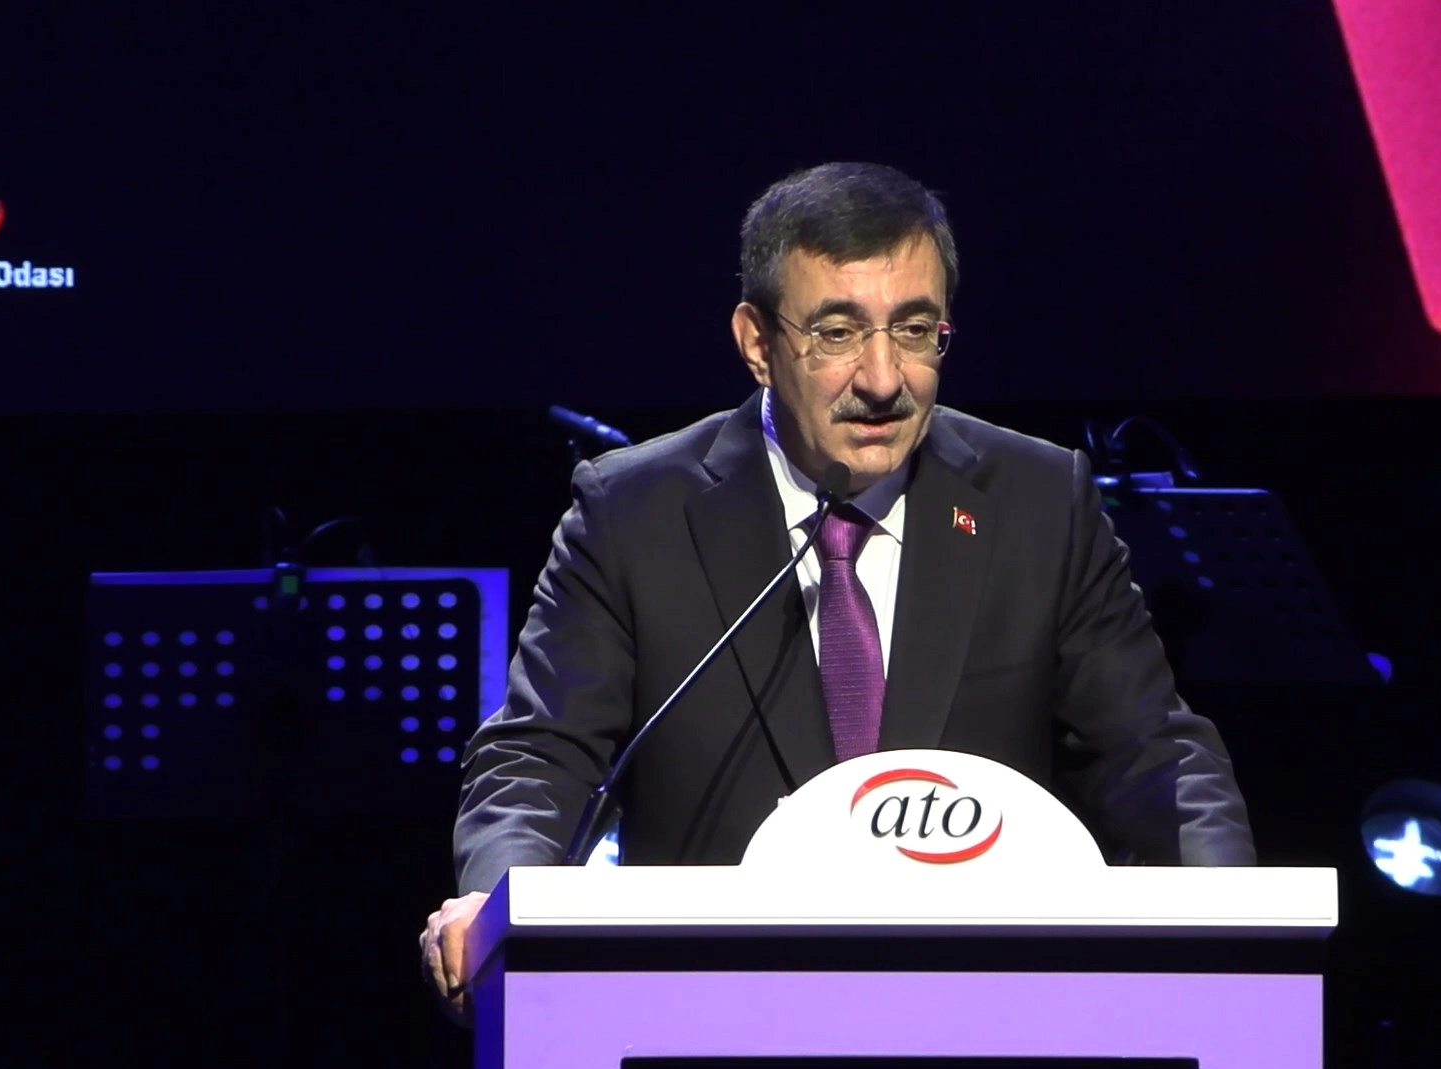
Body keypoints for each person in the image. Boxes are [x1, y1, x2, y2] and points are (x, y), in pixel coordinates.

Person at [419, 162, 1254, 1022]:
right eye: (838, 332)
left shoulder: (1039, 504)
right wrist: (499, 900)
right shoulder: (633, 513)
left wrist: (1240, 929)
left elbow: (1156, 755)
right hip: (710, 1015)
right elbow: (539, 757)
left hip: (985, 1016)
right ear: (757, 343)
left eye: (916, 330)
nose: (884, 379)